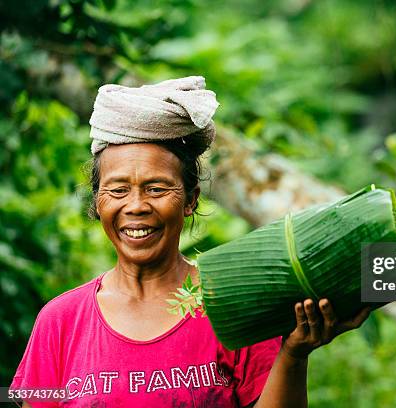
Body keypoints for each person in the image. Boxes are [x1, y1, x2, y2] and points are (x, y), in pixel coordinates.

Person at [10, 76, 371, 407]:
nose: (136, 206)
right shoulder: (60, 322)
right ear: (97, 201)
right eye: (117, 190)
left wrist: (293, 356)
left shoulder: (232, 306)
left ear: (190, 199)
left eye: (156, 188)